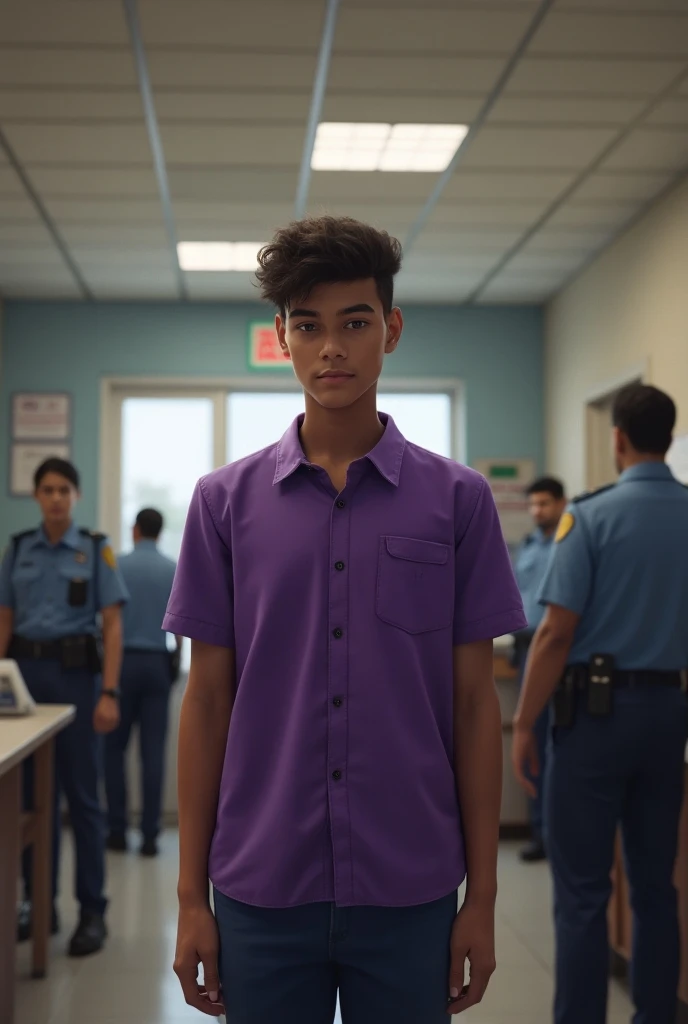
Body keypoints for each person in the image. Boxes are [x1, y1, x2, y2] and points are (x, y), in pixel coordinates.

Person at [164, 216, 526, 1023]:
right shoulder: (222, 504)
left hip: (411, 885)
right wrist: (192, 897)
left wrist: (483, 898)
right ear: (281, 337)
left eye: (355, 323)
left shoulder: (458, 502)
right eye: (309, 326)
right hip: (263, 886)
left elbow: (474, 706)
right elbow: (208, 701)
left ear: (391, 330)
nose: (332, 348)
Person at [512, 383, 688, 1024]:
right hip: (669, 715)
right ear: (667, 440)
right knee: (656, 888)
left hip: (593, 719)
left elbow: (556, 632)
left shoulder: (589, 516)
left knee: (583, 893)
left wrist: (525, 723)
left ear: (617, 439)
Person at [0, 457, 128, 956]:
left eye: (64, 490)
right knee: (33, 802)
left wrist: (110, 693)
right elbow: (5, 620)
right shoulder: (17, 550)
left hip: (79, 681)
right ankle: (39, 904)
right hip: (26, 686)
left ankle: (92, 911)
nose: (55, 497)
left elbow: (112, 626)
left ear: (75, 496)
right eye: (47, 489)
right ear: (36, 496)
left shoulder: (94, 550)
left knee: (84, 801)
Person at [105, 507, 180, 857]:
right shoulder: (172, 569)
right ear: (160, 532)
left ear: (134, 530)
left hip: (120, 666)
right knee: (153, 754)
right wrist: (174, 662)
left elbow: (104, 621)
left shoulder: (116, 566)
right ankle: (150, 836)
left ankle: (117, 831)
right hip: (156, 665)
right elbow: (183, 626)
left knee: (114, 751)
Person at [512, 476, 566, 862]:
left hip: (556, 652)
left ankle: (556, 835)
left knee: (555, 748)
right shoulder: (528, 547)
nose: (537, 511)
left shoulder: (568, 544)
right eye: (533, 504)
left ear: (561, 503)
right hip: (523, 649)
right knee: (528, 746)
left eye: (544, 504)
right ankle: (539, 833)